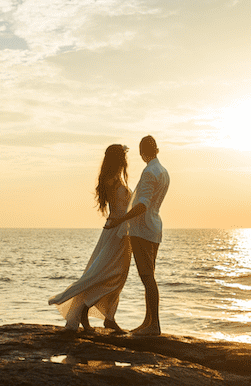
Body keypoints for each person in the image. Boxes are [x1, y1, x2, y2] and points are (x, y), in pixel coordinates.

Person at [48, 144, 131, 332]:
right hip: (115, 231)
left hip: (124, 233)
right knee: (105, 273)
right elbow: (118, 207)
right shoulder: (111, 181)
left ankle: (109, 317)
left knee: (120, 276)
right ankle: (85, 309)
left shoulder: (115, 179)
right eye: (124, 157)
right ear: (118, 159)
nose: (126, 161)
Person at [106, 135, 169, 336]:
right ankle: (148, 321)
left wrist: (121, 219)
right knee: (148, 275)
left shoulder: (150, 172)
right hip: (154, 227)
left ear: (143, 152)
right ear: (156, 149)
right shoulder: (163, 171)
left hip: (142, 230)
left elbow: (142, 204)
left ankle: (154, 325)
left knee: (147, 276)